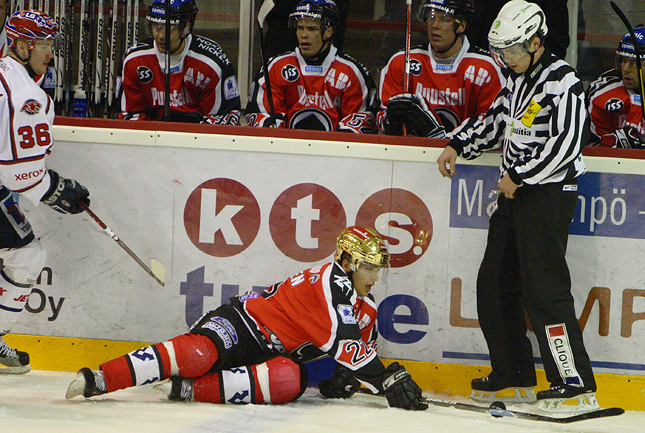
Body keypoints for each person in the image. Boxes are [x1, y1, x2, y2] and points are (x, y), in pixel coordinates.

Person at [436, 1, 598, 414]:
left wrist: (520, 175)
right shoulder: (516, 80)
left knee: (544, 291)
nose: (503, 60)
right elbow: (494, 121)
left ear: (536, 43)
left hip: (546, 196)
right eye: (500, 51)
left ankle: (573, 382)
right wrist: (458, 143)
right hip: (514, 196)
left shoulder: (563, 81)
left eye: (510, 51)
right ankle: (514, 372)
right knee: (493, 281)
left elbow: (567, 144)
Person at [66, 226, 428, 411]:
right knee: (198, 356)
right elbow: (348, 347)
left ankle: (188, 389)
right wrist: (385, 380)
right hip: (244, 323)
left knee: (288, 381)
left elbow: (348, 356)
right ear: (347, 262)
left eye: (377, 269)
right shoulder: (329, 284)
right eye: (367, 267)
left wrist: (340, 378)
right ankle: (101, 377)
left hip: (270, 353)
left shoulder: (363, 305)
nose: (374, 277)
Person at [0, 10, 90, 374]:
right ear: (21, 45)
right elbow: (19, 174)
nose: (51, 54)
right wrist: (56, 190)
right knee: (27, 257)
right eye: (45, 45)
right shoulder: (26, 96)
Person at [246, 0, 378, 133]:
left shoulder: (351, 72)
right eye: (300, 28)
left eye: (311, 28)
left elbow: (361, 120)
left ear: (329, 31)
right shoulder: (276, 67)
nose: (303, 34)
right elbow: (260, 113)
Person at [378, 0, 504, 138]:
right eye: (431, 17)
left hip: (464, 158)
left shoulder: (487, 67)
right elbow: (382, 115)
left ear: (462, 25)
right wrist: (392, 122)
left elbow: (492, 123)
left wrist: (445, 139)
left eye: (444, 19)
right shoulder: (402, 61)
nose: (434, 25)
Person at [117, 0, 241, 124]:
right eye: (156, 27)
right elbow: (129, 116)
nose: (160, 36)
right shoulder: (134, 60)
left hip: (196, 138)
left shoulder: (211, 63)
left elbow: (222, 119)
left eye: (168, 28)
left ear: (185, 27)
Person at [586, 25, 645, 149]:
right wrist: (615, 142)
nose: (626, 69)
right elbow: (592, 151)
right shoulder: (602, 93)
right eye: (623, 61)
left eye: (633, 63)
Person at [258, 0, 349, 59]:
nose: (304, 34)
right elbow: (271, 13)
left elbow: (336, 18)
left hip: (324, 54)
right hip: (282, 41)